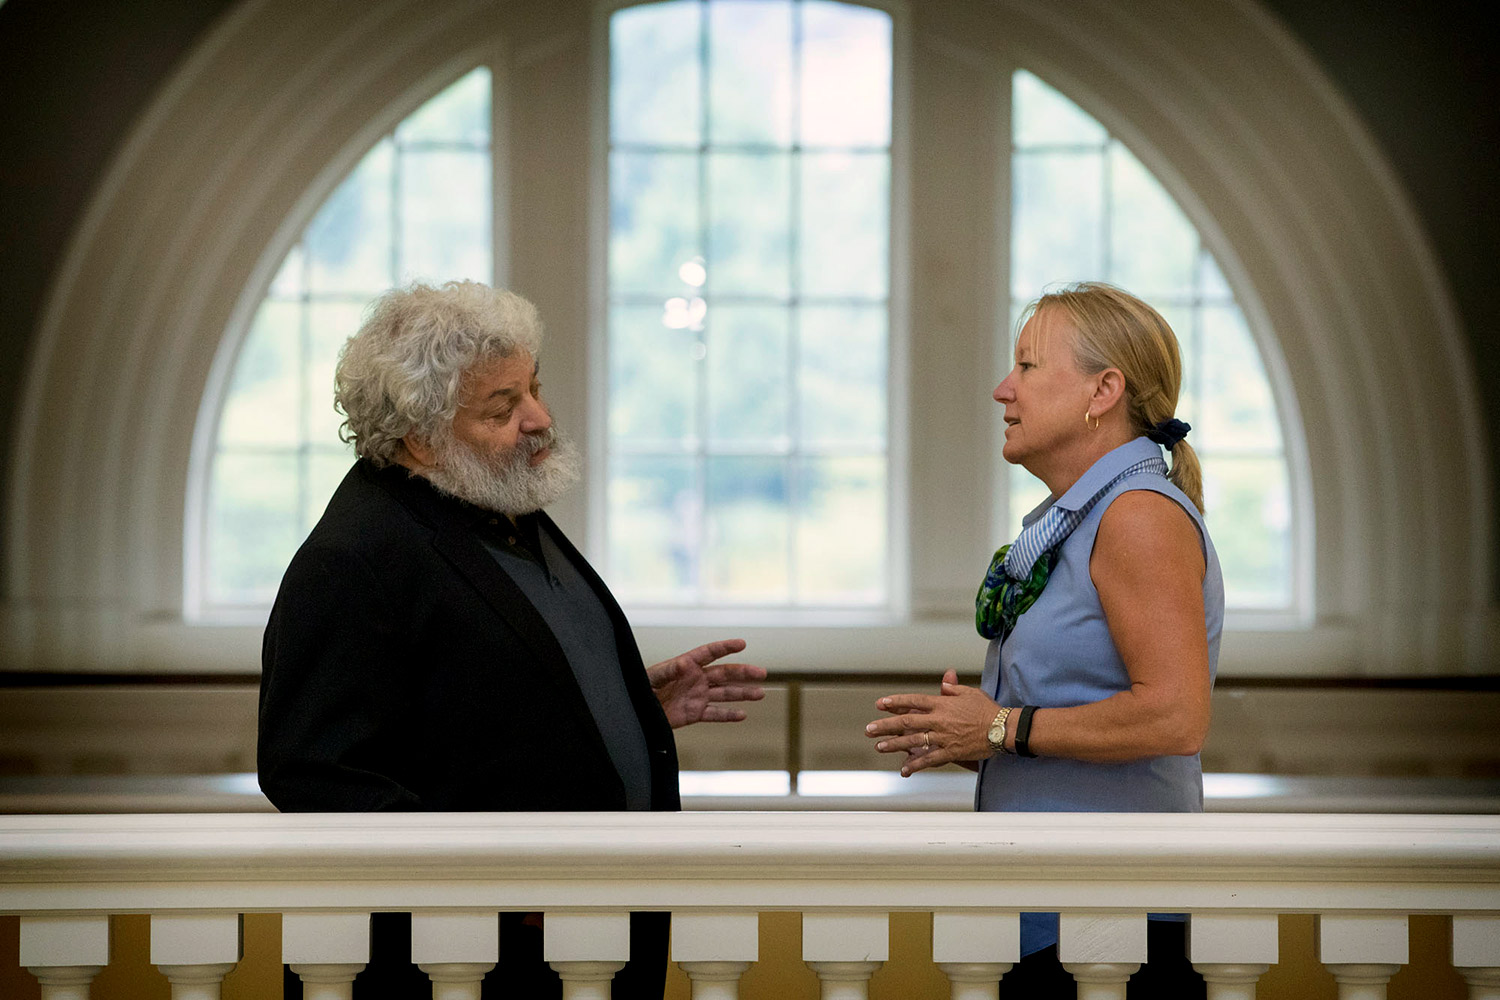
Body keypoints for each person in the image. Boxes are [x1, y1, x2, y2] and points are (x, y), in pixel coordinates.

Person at [258, 280, 766, 1000]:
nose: (540, 419)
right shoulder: (354, 557)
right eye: (503, 407)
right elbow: (315, 772)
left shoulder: (495, 502)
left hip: (582, 943)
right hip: (468, 960)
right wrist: (490, 882)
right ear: (420, 435)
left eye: (533, 389)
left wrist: (620, 703)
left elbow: (488, 688)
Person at [865, 282, 1222, 996]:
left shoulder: (1137, 516)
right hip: (1057, 908)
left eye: (1027, 367)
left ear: (1103, 391)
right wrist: (969, 734)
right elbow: (1068, 724)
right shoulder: (1080, 520)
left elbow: (1176, 717)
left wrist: (998, 725)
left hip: (1112, 923)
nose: (1003, 389)